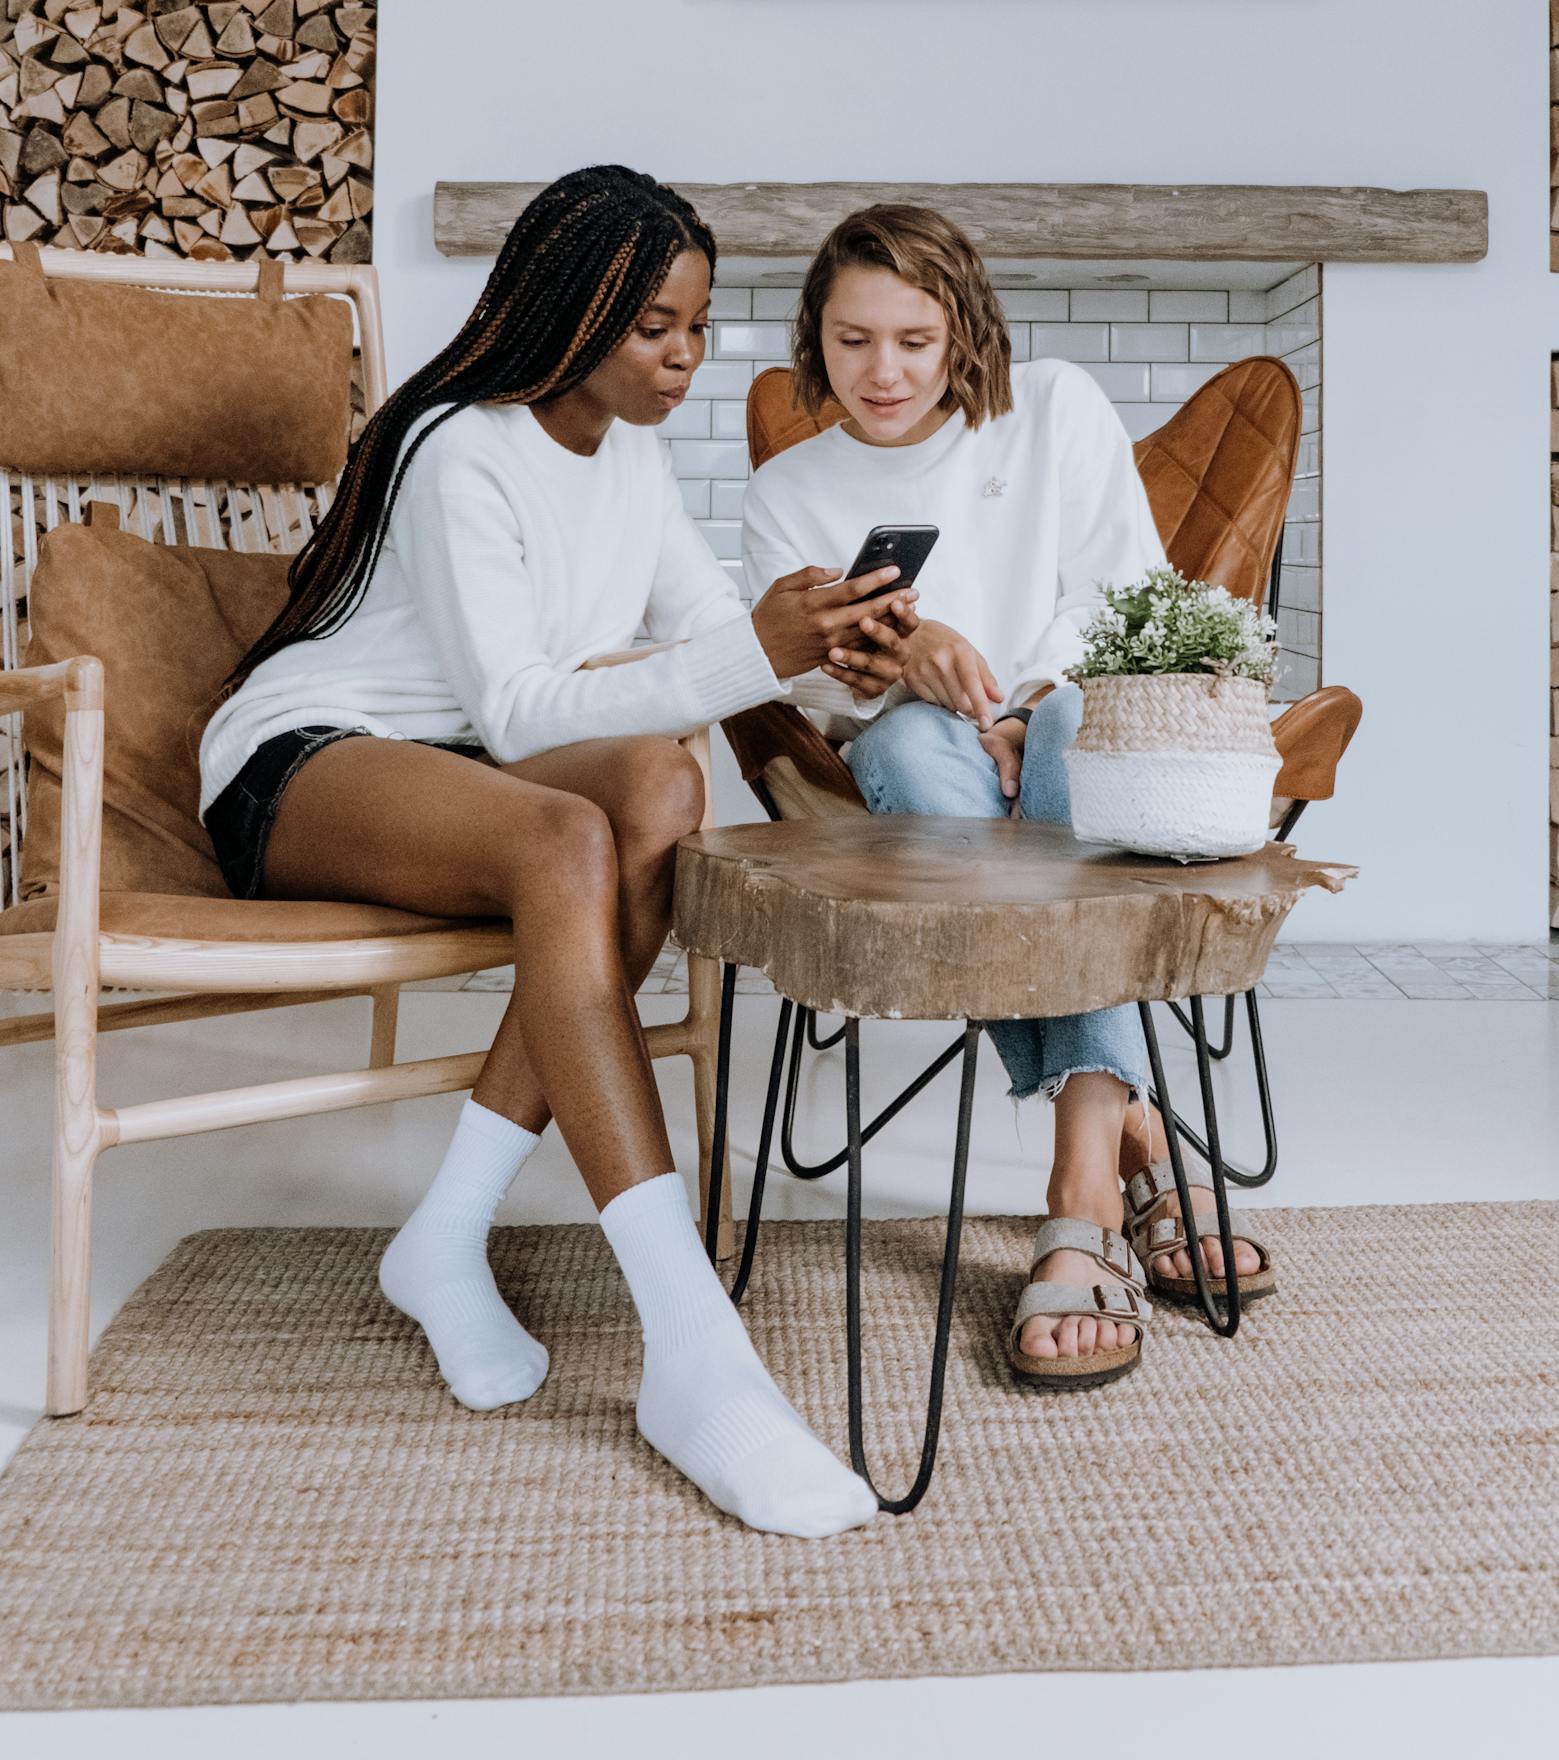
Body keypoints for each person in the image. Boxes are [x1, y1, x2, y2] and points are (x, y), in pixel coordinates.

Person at [200, 164, 918, 1537]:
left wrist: (837, 662)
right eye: (655, 325)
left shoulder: (633, 462)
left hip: (465, 773)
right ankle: (694, 1356)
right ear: (568, 305)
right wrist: (739, 650)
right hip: (304, 763)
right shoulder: (455, 448)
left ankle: (444, 1236)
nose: (683, 358)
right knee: (563, 835)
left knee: (655, 783)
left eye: (699, 329)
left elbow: (716, 648)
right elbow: (518, 711)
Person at [742, 204, 1271, 1388]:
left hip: (1062, 718)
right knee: (920, 756)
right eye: (853, 340)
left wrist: (1026, 702)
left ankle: (1076, 1182)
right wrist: (907, 653)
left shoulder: (1058, 408)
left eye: (915, 340)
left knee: (1087, 729)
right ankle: (1130, 1136)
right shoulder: (791, 489)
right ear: (813, 340)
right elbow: (808, 695)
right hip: (913, 758)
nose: (884, 372)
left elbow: (1124, 597)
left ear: (964, 334)